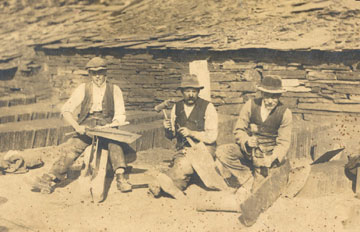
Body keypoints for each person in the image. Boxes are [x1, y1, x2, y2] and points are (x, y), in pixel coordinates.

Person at [32, 57, 133, 193]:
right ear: (90, 74)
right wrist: (77, 127)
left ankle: (121, 178)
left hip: (107, 126)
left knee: (115, 144)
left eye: (100, 72)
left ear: (105, 73)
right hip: (87, 126)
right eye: (93, 73)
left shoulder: (114, 90)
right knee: (72, 147)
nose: (97, 76)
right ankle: (50, 178)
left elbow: (120, 115)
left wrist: (112, 125)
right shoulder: (83, 89)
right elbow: (66, 110)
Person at [215, 75, 292, 197]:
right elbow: (239, 129)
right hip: (249, 152)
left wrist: (272, 158)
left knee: (260, 192)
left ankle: (258, 178)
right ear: (262, 93)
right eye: (267, 95)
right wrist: (246, 140)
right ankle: (246, 176)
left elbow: (284, 142)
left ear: (280, 96)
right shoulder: (250, 105)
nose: (270, 100)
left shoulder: (285, 113)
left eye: (275, 96)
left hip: (267, 156)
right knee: (222, 152)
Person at [148, 73, 218, 199]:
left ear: (198, 92)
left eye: (194, 91)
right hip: (183, 150)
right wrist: (167, 129)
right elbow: (172, 136)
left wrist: (192, 133)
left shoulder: (208, 107)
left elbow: (212, 136)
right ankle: (170, 186)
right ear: (182, 92)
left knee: (185, 165)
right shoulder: (177, 107)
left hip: (204, 149)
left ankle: (160, 184)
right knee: (183, 167)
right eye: (187, 91)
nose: (191, 94)